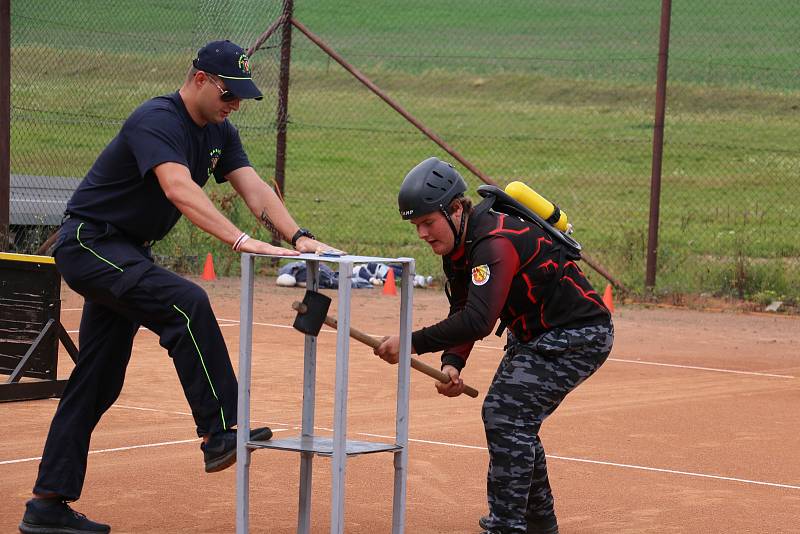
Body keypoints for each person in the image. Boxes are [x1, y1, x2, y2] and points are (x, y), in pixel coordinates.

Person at [19, 40, 341, 534]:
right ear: (199, 80)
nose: (233, 105)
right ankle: (218, 433)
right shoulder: (158, 119)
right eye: (228, 94)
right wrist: (240, 240)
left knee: (97, 381)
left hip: (127, 252)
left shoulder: (219, 131)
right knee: (187, 304)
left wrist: (299, 237)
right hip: (89, 242)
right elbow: (178, 188)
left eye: (240, 97)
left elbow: (253, 186)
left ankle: (46, 505)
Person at [374, 157, 613, 534]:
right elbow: (465, 307)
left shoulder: (493, 243)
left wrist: (411, 343)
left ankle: (508, 524)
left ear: (454, 209)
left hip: (578, 334)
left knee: (505, 416)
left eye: (427, 222)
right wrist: (453, 362)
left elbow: (479, 321)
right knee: (513, 419)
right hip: (535, 334)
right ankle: (537, 523)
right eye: (415, 224)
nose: (421, 233)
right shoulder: (458, 245)